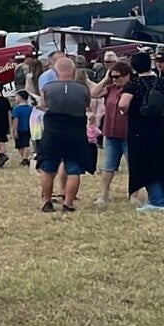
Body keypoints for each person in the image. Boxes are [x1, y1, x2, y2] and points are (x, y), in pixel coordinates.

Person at [121, 53, 164, 212]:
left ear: (134, 67)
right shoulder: (163, 83)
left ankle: (157, 201)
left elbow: (123, 104)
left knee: (147, 164)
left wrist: (128, 112)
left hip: (141, 130)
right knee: (162, 162)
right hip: (163, 129)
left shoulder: (134, 84)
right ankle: (163, 197)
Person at [35, 56, 94, 212]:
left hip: (53, 132)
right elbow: (86, 105)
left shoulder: (47, 88)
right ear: (73, 70)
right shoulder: (83, 89)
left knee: (48, 168)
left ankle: (47, 202)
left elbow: (43, 105)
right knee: (74, 169)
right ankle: (68, 204)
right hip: (75, 132)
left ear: (56, 71)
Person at [91, 60, 132, 207]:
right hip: (111, 133)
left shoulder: (133, 89)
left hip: (128, 133)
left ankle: (133, 193)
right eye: (112, 77)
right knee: (108, 166)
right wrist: (105, 79)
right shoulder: (110, 89)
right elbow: (94, 93)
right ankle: (104, 194)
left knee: (132, 165)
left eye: (117, 76)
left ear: (127, 75)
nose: (115, 79)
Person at [11, 91, 34, 166]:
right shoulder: (31, 108)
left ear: (20, 98)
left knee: (21, 145)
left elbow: (15, 120)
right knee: (25, 144)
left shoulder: (16, 109)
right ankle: (25, 158)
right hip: (28, 128)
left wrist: (15, 130)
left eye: (16, 97)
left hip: (20, 129)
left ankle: (24, 159)